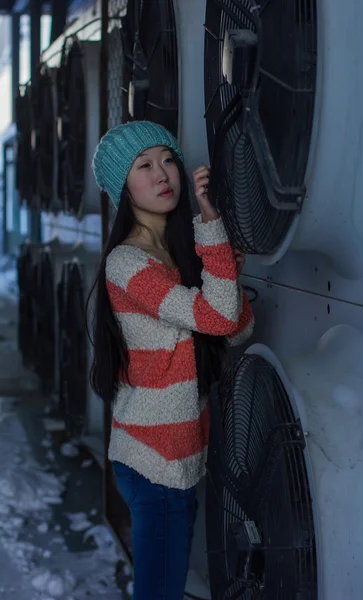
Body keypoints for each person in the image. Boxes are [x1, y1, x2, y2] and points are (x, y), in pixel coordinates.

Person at [89, 120, 254, 600]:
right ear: (124, 187)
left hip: (177, 459)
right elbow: (222, 319)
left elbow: (239, 329)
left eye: (167, 159)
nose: (162, 173)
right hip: (154, 464)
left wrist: (221, 263)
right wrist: (211, 226)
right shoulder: (129, 264)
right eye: (144, 165)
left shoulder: (174, 255)